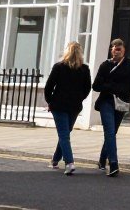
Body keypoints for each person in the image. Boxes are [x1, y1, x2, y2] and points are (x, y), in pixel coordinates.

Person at [91, 38, 130, 176]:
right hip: (106, 101)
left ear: (124, 50)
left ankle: (101, 160)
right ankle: (113, 163)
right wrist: (111, 87)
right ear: (111, 50)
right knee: (110, 132)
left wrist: (117, 89)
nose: (116, 50)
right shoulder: (105, 65)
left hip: (121, 102)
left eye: (119, 48)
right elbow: (96, 86)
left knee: (112, 133)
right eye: (114, 48)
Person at [44, 41, 92, 176]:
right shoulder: (84, 69)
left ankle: (69, 163)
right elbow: (87, 88)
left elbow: (49, 87)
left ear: (67, 52)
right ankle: (55, 160)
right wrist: (79, 98)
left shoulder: (59, 67)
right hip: (74, 106)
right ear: (80, 53)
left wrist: (50, 102)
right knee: (65, 134)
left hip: (59, 105)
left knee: (64, 134)